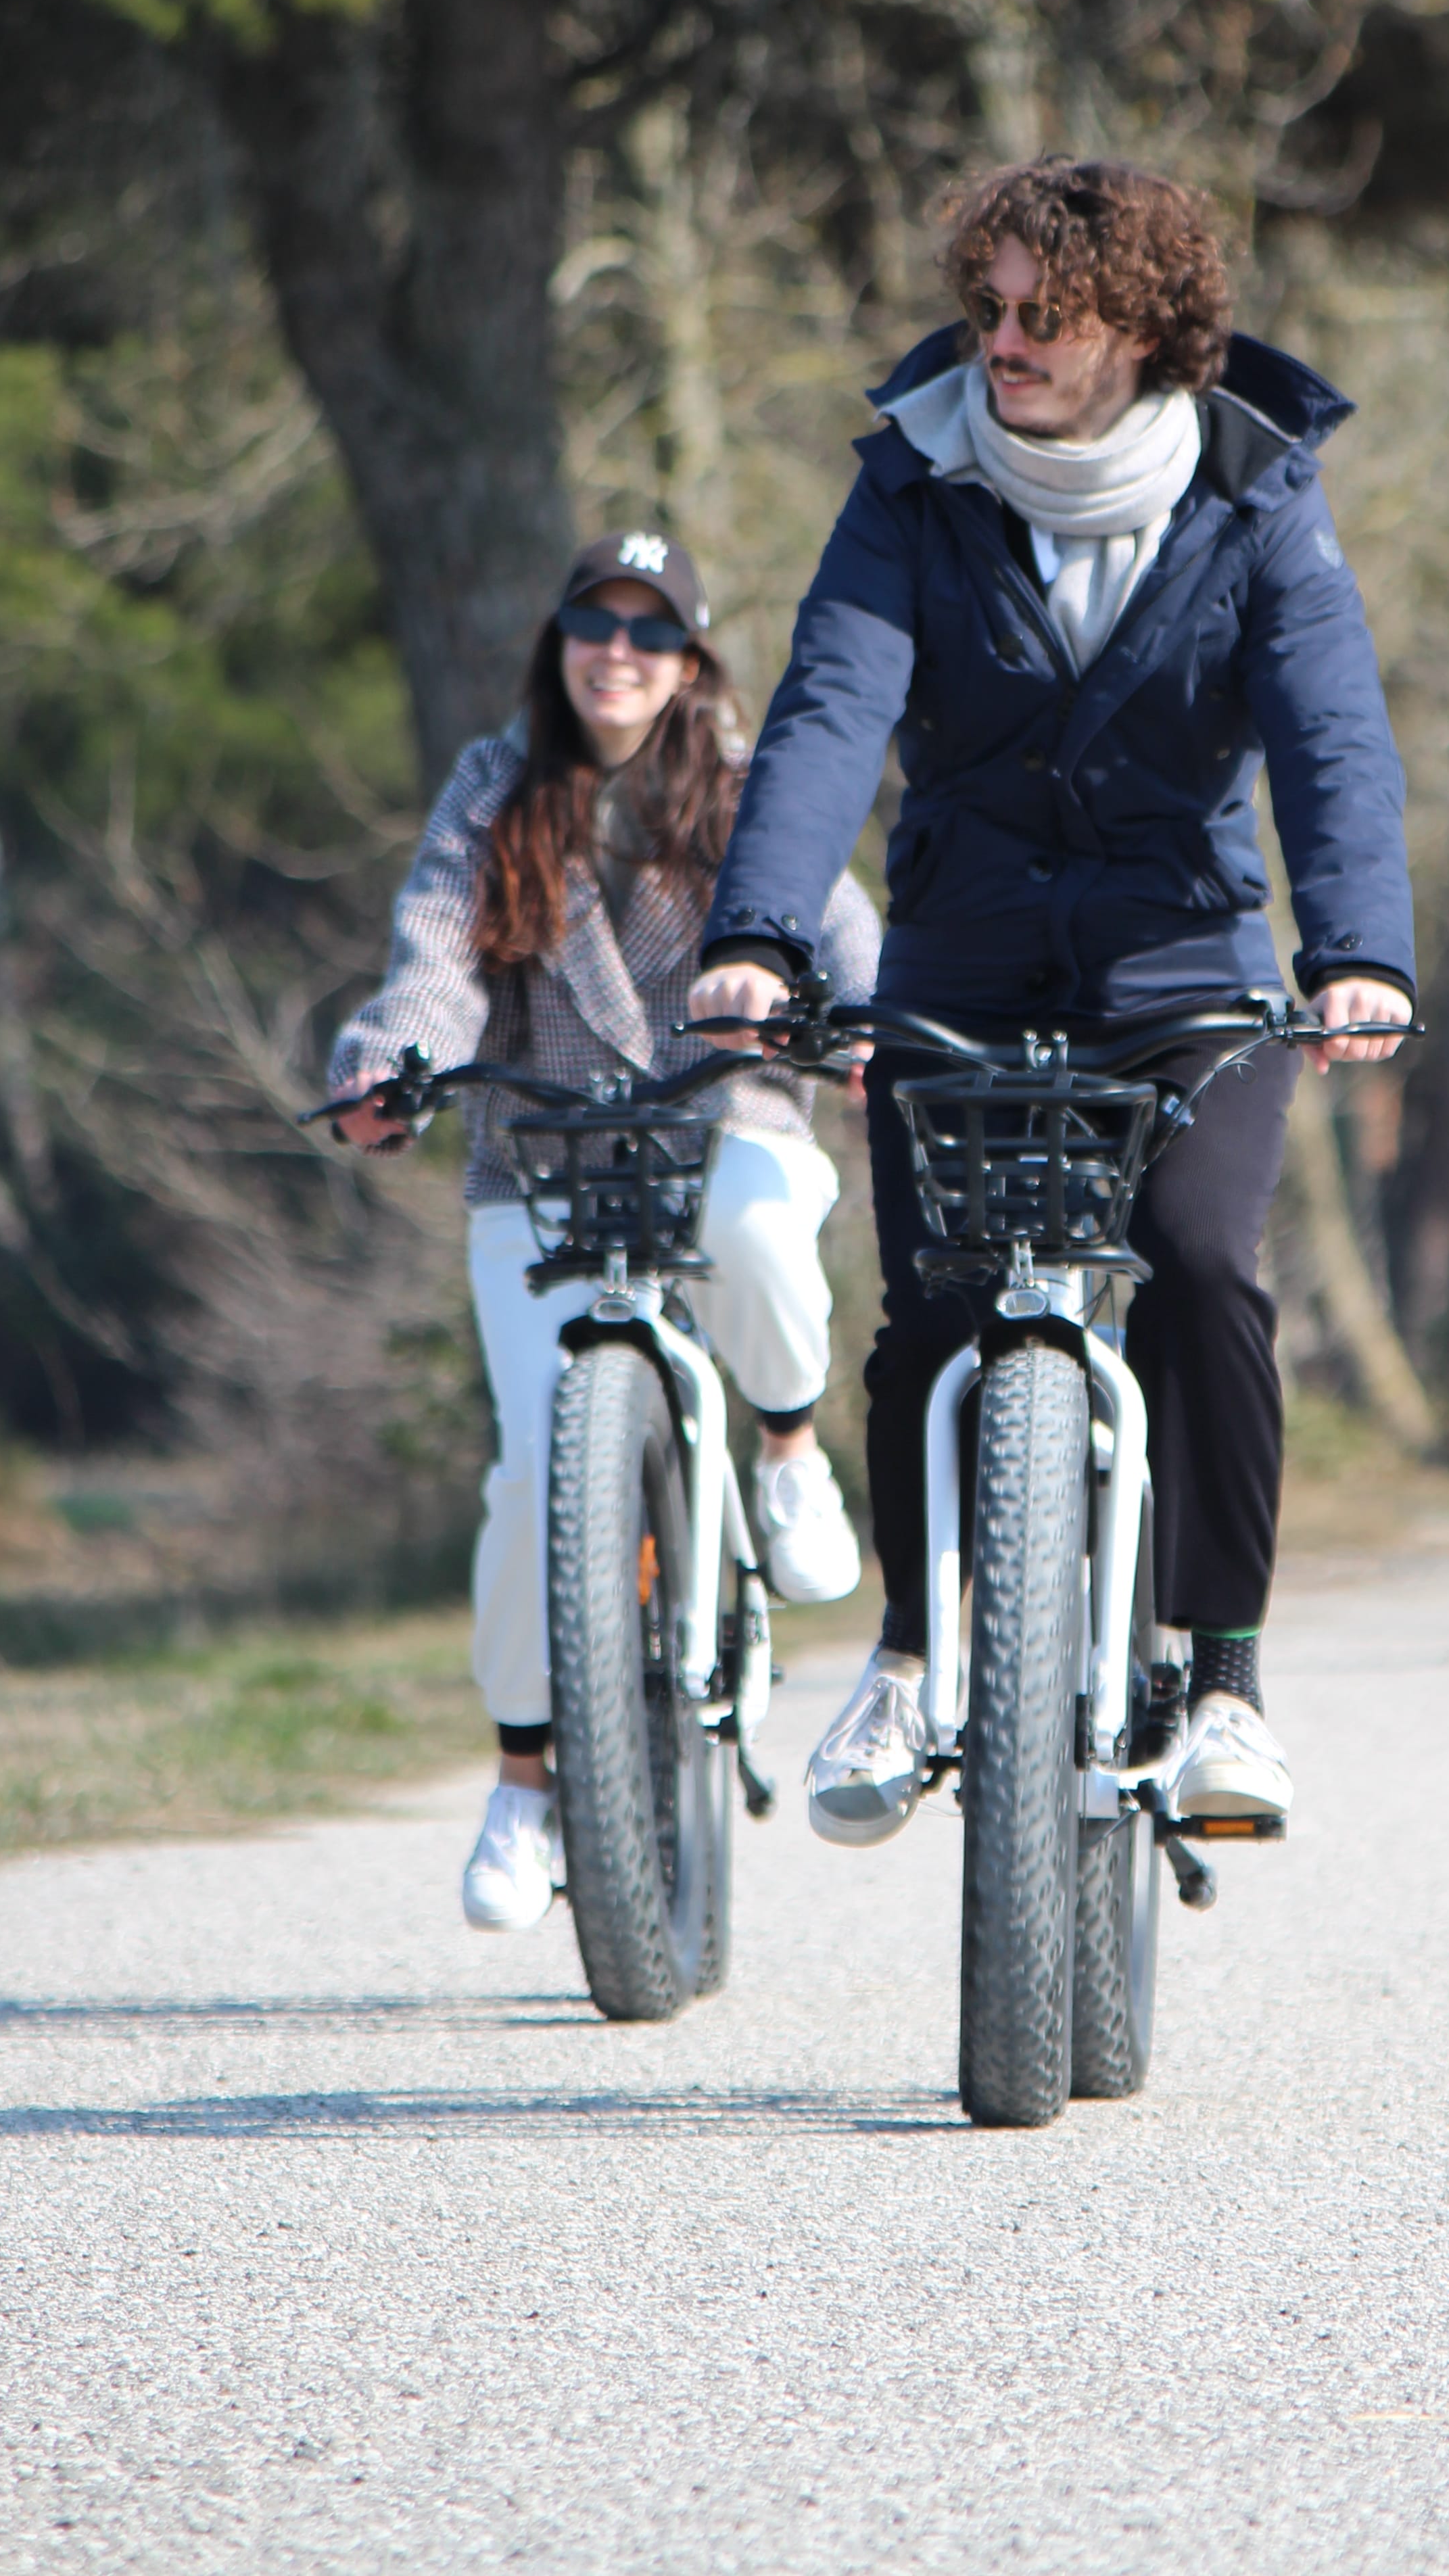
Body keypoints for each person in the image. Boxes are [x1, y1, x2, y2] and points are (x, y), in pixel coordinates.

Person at [688, 158, 1412, 1850]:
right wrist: (763, 935)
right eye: (988, 307)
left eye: (1046, 316)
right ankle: (907, 1651)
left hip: (1185, 966)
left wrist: (1358, 951)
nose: (1001, 342)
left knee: (1208, 1262)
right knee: (930, 1298)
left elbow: (1330, 737)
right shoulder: (914, 483)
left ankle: (1222, 1674)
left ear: (1146, 332)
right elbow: (827, 710)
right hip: (966, 950)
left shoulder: (1255, 490)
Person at [328, 531, 880, 1933]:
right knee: (529, 1484)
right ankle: (524, 1779)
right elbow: (432, 961)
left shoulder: (754, 791)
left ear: (692, 661)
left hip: (724, 1130)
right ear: (559, 641)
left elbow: (844, 933)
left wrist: (868, 1028)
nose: (618, 654)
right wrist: (390, 1061)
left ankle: (790, 1449)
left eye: (652, 632)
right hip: (544, 1171)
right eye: (596, 624)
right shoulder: (494, 788)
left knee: (764, 1226)